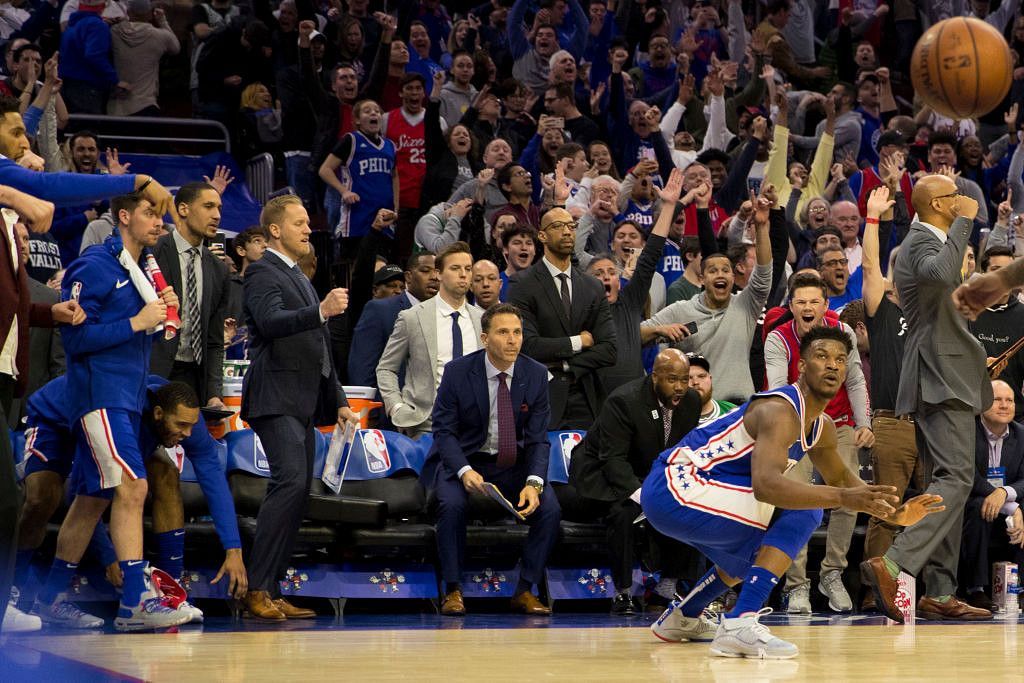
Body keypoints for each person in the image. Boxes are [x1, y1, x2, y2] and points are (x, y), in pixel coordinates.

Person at [643, 326, 943, 658]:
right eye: (822, 356)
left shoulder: (822, 426)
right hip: (673, 484)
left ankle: (684, 616)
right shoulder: (779, 409)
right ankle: (740, 622)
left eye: (840, 359)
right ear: (801, 365)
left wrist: (895, 513)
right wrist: (842, 499)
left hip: (694, 491)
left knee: (761, 555)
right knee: (803, 511)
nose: (832, 365)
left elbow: (846, 481)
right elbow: (767, 486)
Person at [38, 192, 183, 632]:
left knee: (90, 501)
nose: (160, 223)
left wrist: (153, 324)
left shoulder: (138, 272)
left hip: (124, 396)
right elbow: (77, 339)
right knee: (134, 487)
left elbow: (130, 341)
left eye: (161, 216)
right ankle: (136, 601)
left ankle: (48, 600)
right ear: (123, 216)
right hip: (99, 397)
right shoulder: (94, 265)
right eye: (150, 214)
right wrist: (138, 322)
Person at [861, 174, 995, 623]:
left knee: (946, 484)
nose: (965, 199)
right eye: (956, 195)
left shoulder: (927, 238)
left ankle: (939, 589)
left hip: (945, 372)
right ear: (940, 204)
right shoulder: (922, 241)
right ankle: (895, 562)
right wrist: (967, 224)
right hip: (939, 377)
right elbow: (939, 276)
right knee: (957, 479)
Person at [14, 375, 247, 624]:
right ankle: (13, 588)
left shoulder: (186, 418)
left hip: (117, 414)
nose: (188, 434)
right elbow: (80, 495)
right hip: (57, 419)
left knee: (166, 473)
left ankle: (171, 591)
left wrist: (234, 550)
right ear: (158, 413)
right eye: (181, 425)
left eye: (190, 425)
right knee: (43, 498)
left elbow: (214, 482)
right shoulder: (120, 417)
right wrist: (110, 557)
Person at [239, 195, 359, 622]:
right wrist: (320, 309)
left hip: (304, 400)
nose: (309, 230)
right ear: (275, 230)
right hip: (275, 396)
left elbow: (319, 347)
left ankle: (271, 589)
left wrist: (340, 401)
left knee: (297, 494)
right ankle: (255, 589)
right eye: (300, 223)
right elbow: (271, 323)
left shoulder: (298, 276)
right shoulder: (261, 272)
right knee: (288, 484)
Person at [424, 302, 559, 616]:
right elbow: (443, 431)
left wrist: (533, 483)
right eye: (503, 333)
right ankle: (453, 589)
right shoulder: (458, 372)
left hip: (514, 466)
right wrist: (463, 469)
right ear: (485, 338)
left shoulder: (536, 374)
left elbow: (540, 439)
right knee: (452, 504)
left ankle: (525, 590)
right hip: (468, 461)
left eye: (517, 332)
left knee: (550, 508)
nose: (513, 340)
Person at [0, 191, 85, 633]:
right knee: (12, 497)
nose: (26, 231)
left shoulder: (14, 267)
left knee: (10, 498)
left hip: (5, 381)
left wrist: (50, 311)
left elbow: (15, 312)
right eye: (18, 226)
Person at [765, 273, 872, 614]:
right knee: (796, 500)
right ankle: (796, 586)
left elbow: (854, 380)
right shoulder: (778, 339)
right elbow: (779, 391)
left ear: (826, 306)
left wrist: (864, 423)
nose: (808, 307)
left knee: (850, 495)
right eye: (801, 302)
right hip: (796, 424)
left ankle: (833, 573)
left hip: (838, 423)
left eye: (815, 301)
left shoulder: (843, 333)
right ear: (791, 306)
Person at [569, 348, 702, 615]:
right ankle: (623, 592)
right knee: (623, 512)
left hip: (649, 471)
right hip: (603, 472)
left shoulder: (691, 401)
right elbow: (612, 459)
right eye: (672, 380)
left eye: (684, 380)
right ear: (655, 377)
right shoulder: (624, 401)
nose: (679, 387)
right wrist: (645, 497)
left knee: (688, 504)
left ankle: (665, 589)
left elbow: (682, 450)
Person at [507, 202, 617, 430]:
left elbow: (609, 349)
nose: (567, 231)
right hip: (541, 398)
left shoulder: (592, 286)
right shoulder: (522, 283)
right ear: (542, 236)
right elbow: (527, 345)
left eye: (571, 226)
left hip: (587, 398)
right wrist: (580, 342)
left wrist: (564, 364)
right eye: (558, 226)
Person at [377, 242, 482, 438]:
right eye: (455, 268)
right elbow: (386, 368)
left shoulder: (481, 320)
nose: (463, 274)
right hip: (425, 426)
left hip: (473, 428)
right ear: (438, 274)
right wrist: (396, 407)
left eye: (468, 269)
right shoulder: (413, 317)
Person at [149, 183, 230, 409]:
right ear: (183, 209)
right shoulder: (152, 253)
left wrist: (214, 393)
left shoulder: (219, 269)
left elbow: (215, 341)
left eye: (219, 208)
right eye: (208, 206)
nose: (216, 215)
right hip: (152, 374)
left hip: (194, 378)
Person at [960, 380, 1024, 611]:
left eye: (1010, 401)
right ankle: (975, 589)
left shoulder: (1021, 434)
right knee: (979, 508)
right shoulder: (966, 431)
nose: (1005, 406)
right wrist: (1010, 506)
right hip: (973, 502)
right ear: (981, 403)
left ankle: (1020, 588)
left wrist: (1006, 496)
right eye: (997, 400)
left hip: (1009, 501)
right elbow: (968, 475)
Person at [347, 251, 439, 388]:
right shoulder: (379, 310)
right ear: (408, 277)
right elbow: (361, 371)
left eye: (438, 272)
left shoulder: (445, 313)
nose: (434, 277)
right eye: (426, 271)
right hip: (393, 405)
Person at [686, 353, 736, 425]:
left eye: (701, 376)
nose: (695, 382)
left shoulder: (732, 411)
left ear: (710, 379)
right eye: (688, 378)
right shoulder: (671, 419)